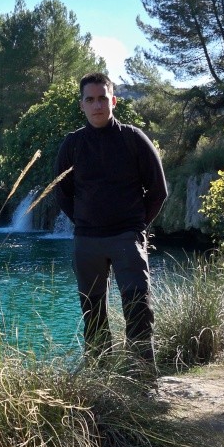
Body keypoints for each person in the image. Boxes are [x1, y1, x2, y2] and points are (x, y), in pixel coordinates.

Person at [54, 72, 167, 380]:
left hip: (126, 237)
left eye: (102, 98)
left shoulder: (133, 138)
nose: (97, 105)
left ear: (113, 100)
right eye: (90, 100)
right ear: (82, 105)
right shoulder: (72, 144)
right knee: (93, 315)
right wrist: (83, 221)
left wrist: (137, 226)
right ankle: (102, 383)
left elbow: (158, 190)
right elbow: (60, 191)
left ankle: (143, 381)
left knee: (138, 308)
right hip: (87, 243)